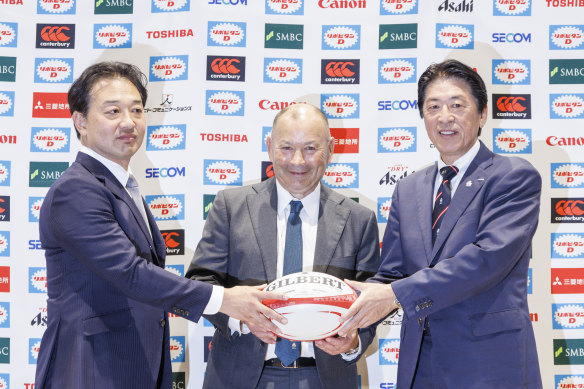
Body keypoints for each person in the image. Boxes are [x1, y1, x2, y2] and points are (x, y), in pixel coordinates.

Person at [35, 62, 287, 389]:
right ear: (80, 121)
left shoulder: (122, 186)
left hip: (136, 365)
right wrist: (223, 299)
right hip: (89, 369)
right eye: (113, 111)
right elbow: (129, 272)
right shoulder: (76, 190)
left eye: (137, 110)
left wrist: (233, 311)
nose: (129, 122)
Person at [338, 59, 543, 388]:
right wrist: (351, 330)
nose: (444, 117)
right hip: (421, 367)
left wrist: (395, 294)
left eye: (457, 105)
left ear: (482, 113)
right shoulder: (409, 189)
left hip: (490, 366)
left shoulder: (513, 176)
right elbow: (391, 275)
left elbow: (486, 259)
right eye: (433, 107)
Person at [186, 103, 381, 389]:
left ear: (331, 148)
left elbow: (372, 302)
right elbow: (200, 283)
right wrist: (240, 318)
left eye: (311, 149)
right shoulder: (230, 206)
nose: (298, 161)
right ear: (269, 146)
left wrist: (353, 341)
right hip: (239, 378)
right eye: (286, 148)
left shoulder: (358, 219)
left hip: (325, 378)